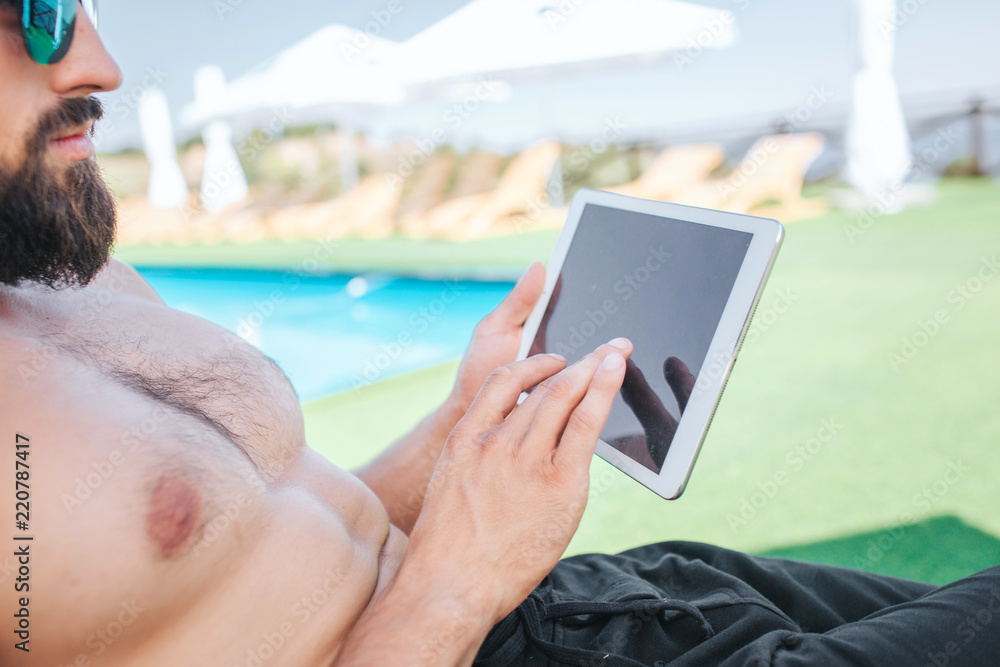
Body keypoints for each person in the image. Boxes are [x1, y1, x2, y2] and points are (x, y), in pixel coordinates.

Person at [1, 2, 997, 665]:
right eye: (40, 14)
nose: (100, 62)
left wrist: (463, 415)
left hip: (606, 598)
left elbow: (276, 520)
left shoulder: (80, 281)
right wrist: (454, 584)